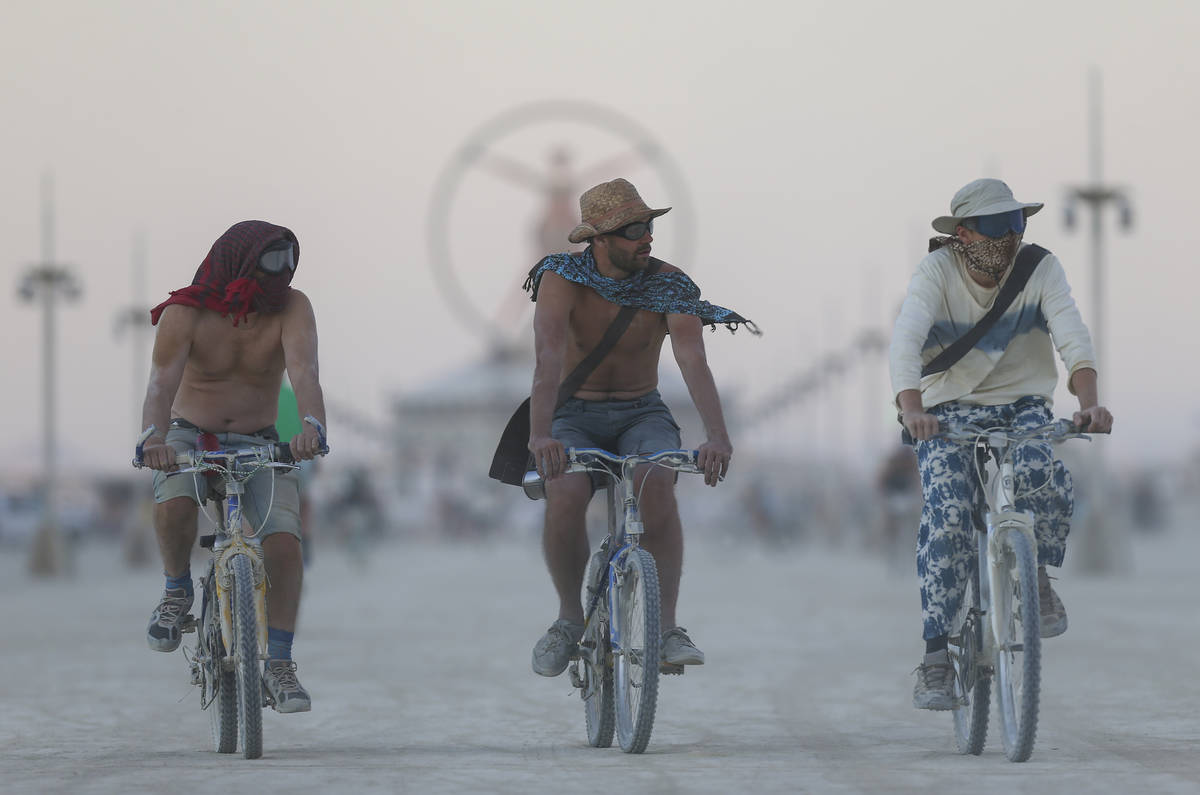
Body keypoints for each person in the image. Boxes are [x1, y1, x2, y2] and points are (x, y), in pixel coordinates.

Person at [889, 179, 1114, 710]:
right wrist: (913, 409)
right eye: (993, 228)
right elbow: (906, 340)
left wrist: (1089, 402)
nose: (1008, 238)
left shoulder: (1040, 269)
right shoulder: (936, 273)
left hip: (1022, 405)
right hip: (945, 412)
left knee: (1044, 472)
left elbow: (1071, 334)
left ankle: (1036, 577)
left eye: (1016, 225)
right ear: (961, 234)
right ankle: (937, 657)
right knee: (946, 516)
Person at [524, 178, 758, 677]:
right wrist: (540, 434)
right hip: (573, 412)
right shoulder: (560, 278)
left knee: (656, 484)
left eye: (649, 225)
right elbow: (547, 358)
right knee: (563, 494)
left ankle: (668, 626)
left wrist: (717, 435)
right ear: (599, 238)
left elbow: (693, 359)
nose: (646, 237)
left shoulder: (669, 283)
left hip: (641, 410)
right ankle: (569, 617)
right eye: (633, 229)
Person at [139, 220, 327, 714]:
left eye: (289, 265)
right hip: (189, 433)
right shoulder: (186, 312)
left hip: (260, 440)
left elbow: (305, 371)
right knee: (176, 499)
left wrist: (312, 428)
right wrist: (153, 439)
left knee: (285, 542)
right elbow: (160, 385)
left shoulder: (291, 307)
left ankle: (280, 663)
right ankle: (176, 588)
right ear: (239, 263)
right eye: (271, 265)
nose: (280, 277)